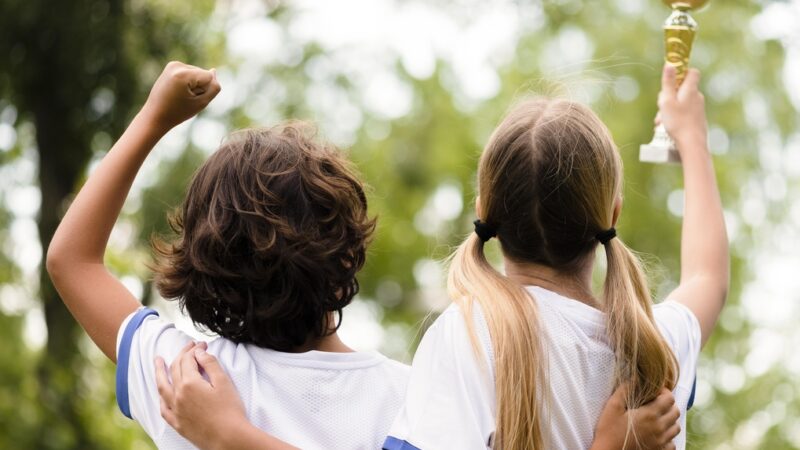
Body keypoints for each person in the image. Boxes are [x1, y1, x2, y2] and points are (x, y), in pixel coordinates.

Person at [46, 61, 407, 449]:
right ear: (347, 256)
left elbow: (72, 260)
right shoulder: (412, 397)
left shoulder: (190, 380)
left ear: (201, 271)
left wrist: (154, 118)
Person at [383, 64, 727, 450]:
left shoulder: (471, 335)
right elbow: (708, 278)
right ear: (613, 213)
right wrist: (693, 140)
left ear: (484, 212)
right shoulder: (651, 343)